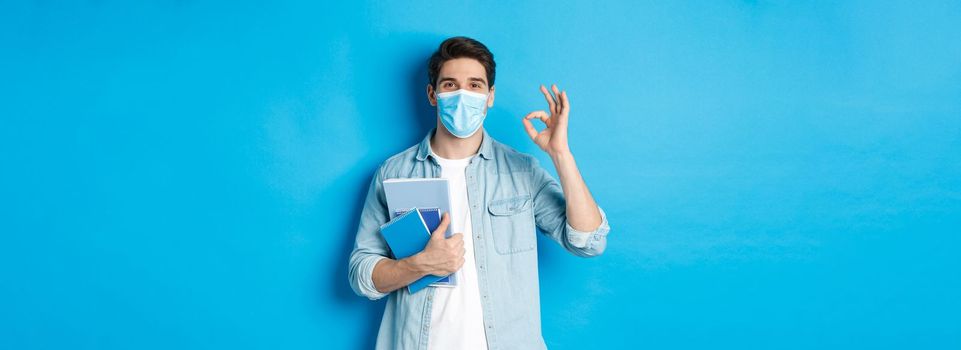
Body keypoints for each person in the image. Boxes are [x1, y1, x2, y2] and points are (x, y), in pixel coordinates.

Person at [348, 36, 611, 350]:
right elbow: (361, 273)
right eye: (450, 85)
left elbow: (589, 241)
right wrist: (419, 265)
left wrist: (560, 154)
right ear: (432, 94)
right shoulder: (393, 173)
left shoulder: (521, 172)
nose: (463, 95)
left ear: (490, 96)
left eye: (475, 85)